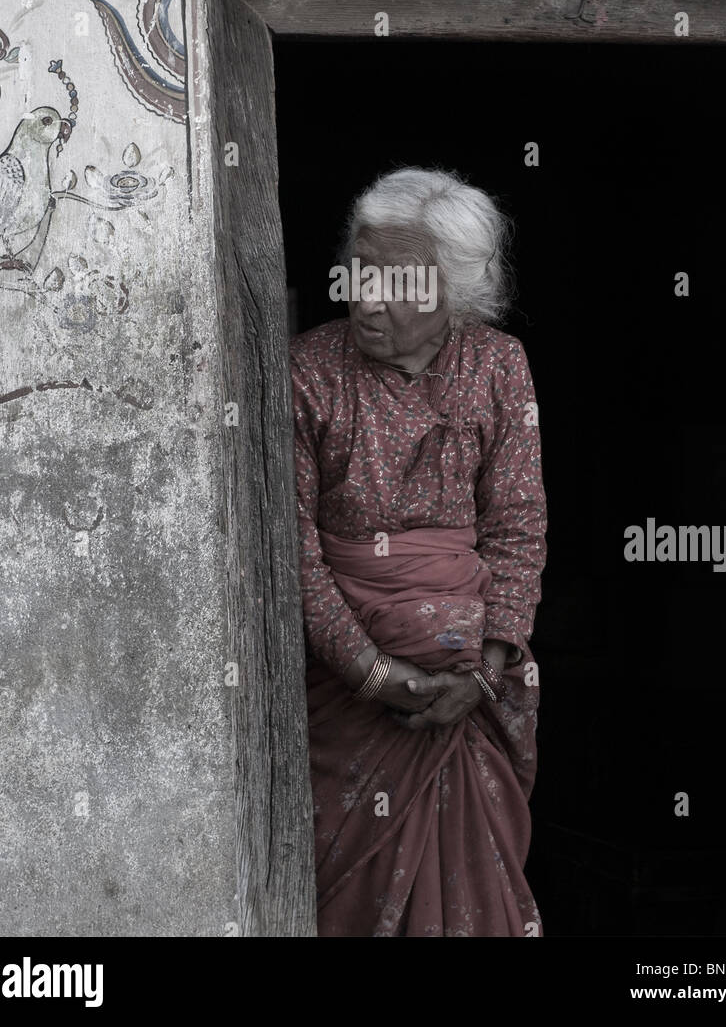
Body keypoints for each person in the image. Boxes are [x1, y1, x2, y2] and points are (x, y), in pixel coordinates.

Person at [290, 167, 547, 936]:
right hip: (345, 686)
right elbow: (292, 551)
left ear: (457, 293)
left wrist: (486, 669)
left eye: (395, 284)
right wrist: (373, 674)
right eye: (358, 273)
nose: (365, 300)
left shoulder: (498, 368)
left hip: (468, 685)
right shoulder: (307, 374)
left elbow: (517, 524)